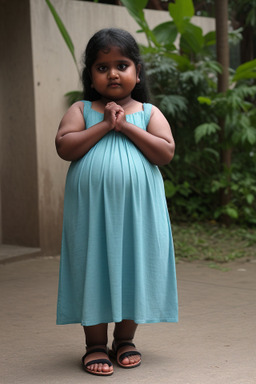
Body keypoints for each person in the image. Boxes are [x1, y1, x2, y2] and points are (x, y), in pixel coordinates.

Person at [55, 28, 178, 377]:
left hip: (138, 216)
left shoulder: (148, 112)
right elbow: (65, 146)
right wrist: (105, 125)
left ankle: (124, 339)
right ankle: (95, 344)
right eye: (102, 66)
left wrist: (125, 126)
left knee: (133, 267)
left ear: (137, 73)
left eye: (121, 65)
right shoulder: (82, 109)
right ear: (90, 77)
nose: (112, 73)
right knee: (92, 266)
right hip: (91, 216)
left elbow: (165, 152)